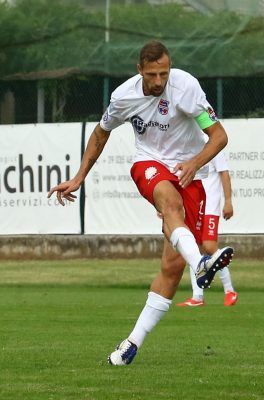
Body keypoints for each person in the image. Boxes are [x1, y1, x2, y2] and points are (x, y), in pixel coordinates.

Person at [47, 40, 234, 366]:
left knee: (171, 269)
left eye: (164, 72)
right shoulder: (124, 96)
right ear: (139, 70)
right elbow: (101, 133)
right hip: (149, 165)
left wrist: (194, 162)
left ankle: (131, 344)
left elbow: (218, 136)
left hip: (190, 175)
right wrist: (79, 177)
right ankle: (201, 264)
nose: (159, 81)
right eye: (152, 74)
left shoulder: (186, 87)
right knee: (169, 203)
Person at [176, 150, 238, 307]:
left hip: (210, 204)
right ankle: (197, 297)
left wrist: (228, 201)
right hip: (194, 203)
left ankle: (230, 290)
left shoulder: (212, 143)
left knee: (210, 246)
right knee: (193, 247)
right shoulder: (189, 142)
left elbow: (224, 173)